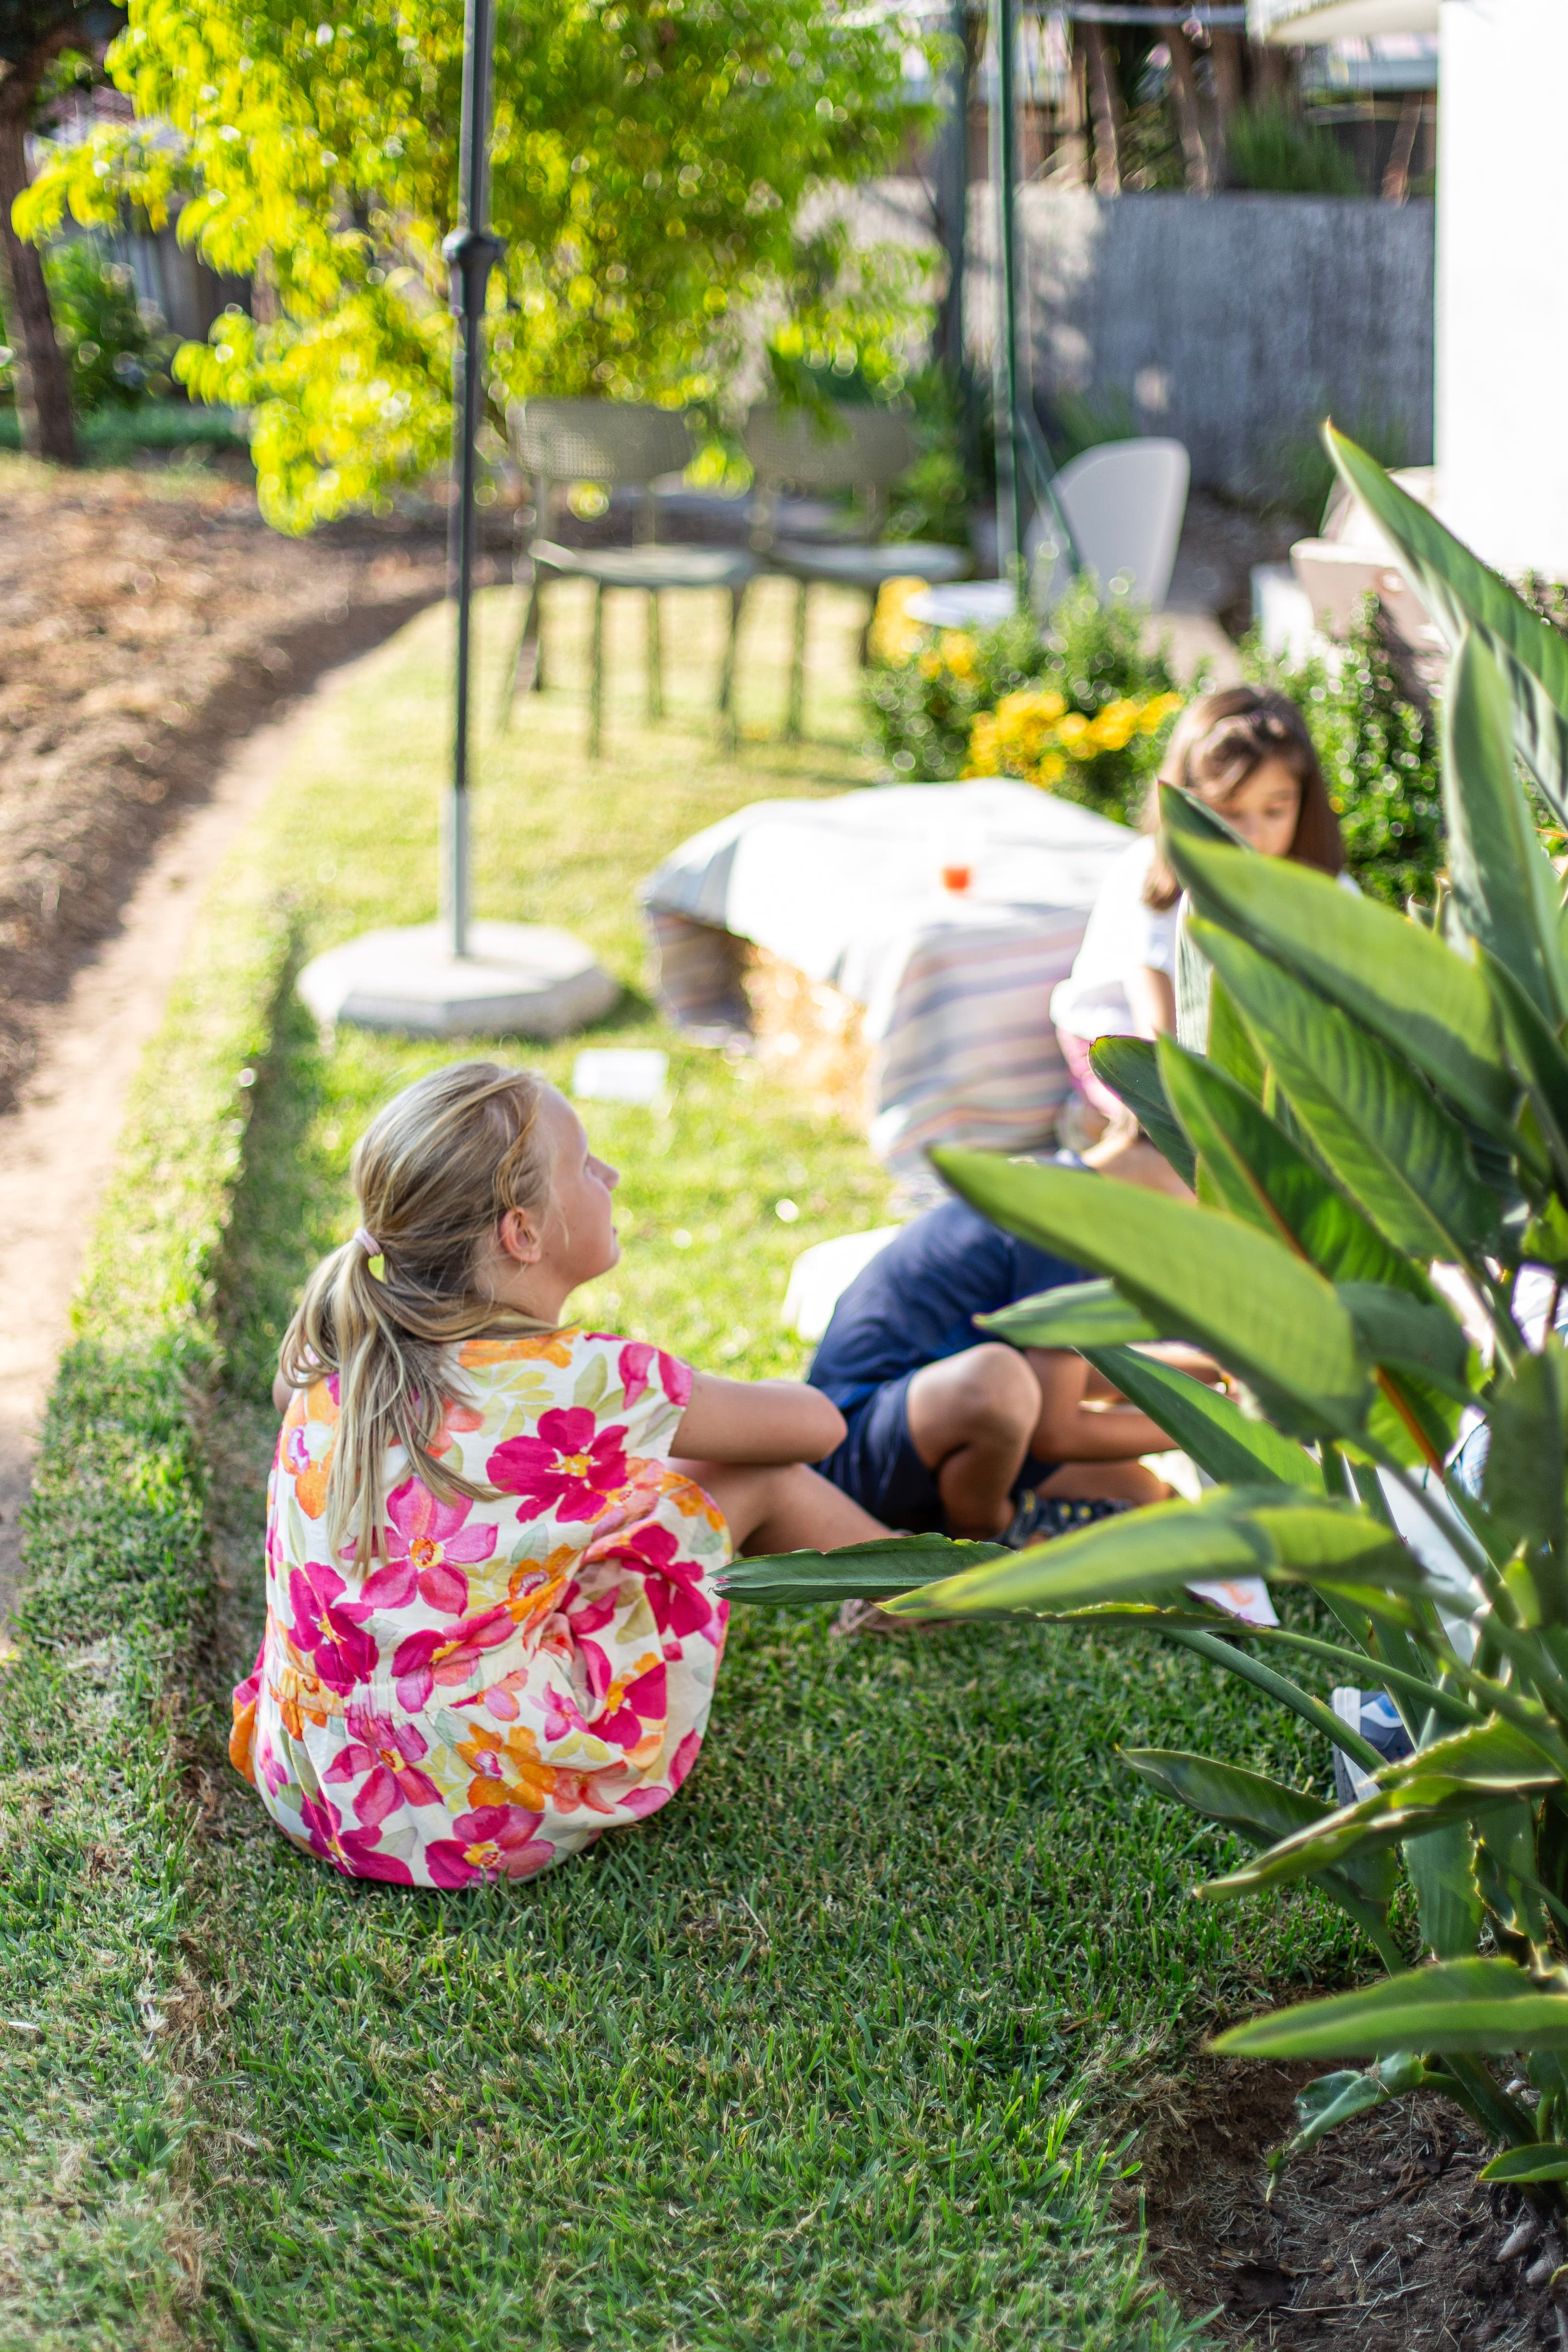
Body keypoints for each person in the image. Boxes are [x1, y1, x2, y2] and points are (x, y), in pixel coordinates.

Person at [230, 1060, 885, 1889]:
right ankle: (918, 1585)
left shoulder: (346, 1350)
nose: (608, 1175)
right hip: (472, 1802)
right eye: (585, 1164)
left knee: (636, 1495)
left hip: (317, 1785)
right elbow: (816, 1425)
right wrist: (676, 1404)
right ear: (523, 1233)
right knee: (757, 1478)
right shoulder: (590, 1380)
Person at [807, 1133, 1193, 1549]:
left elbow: (1067, 1375)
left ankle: (988, 1516)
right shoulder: (1068, 1219)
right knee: (998, 1380)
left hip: (926, 1429)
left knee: (1143, 1494)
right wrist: (1227, 1424)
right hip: (852, 1452)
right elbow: (1056, 1433)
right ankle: (986, 1531)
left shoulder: (1062, 1183)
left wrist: (1214, 1373)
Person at [1050, 687, 1346, 1119]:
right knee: (1187, 1149)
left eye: (1275, 810)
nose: (1253, 835)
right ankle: (1089, 1148)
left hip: (1232, 1059)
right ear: (1189, 800)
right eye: (1231, 811)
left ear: (1304, 801)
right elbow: (1159, 1031)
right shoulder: (1155, 873)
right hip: (1118, 1044)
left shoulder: (1320, 887)